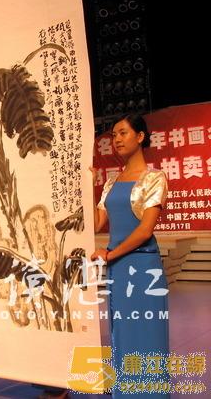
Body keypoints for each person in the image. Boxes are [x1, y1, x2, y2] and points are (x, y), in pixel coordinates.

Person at [91, 114, 169, 398]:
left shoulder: (154, 178)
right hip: (118, 269)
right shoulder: (111, 183)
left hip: (143, 268)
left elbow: (145, 230)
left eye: (123, 133)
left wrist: (110, 254)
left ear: (140, 136)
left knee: (147, 334)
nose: (117, 139)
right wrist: (87, 187)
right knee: (122, 333)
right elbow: (96, 224)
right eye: (114, 135)